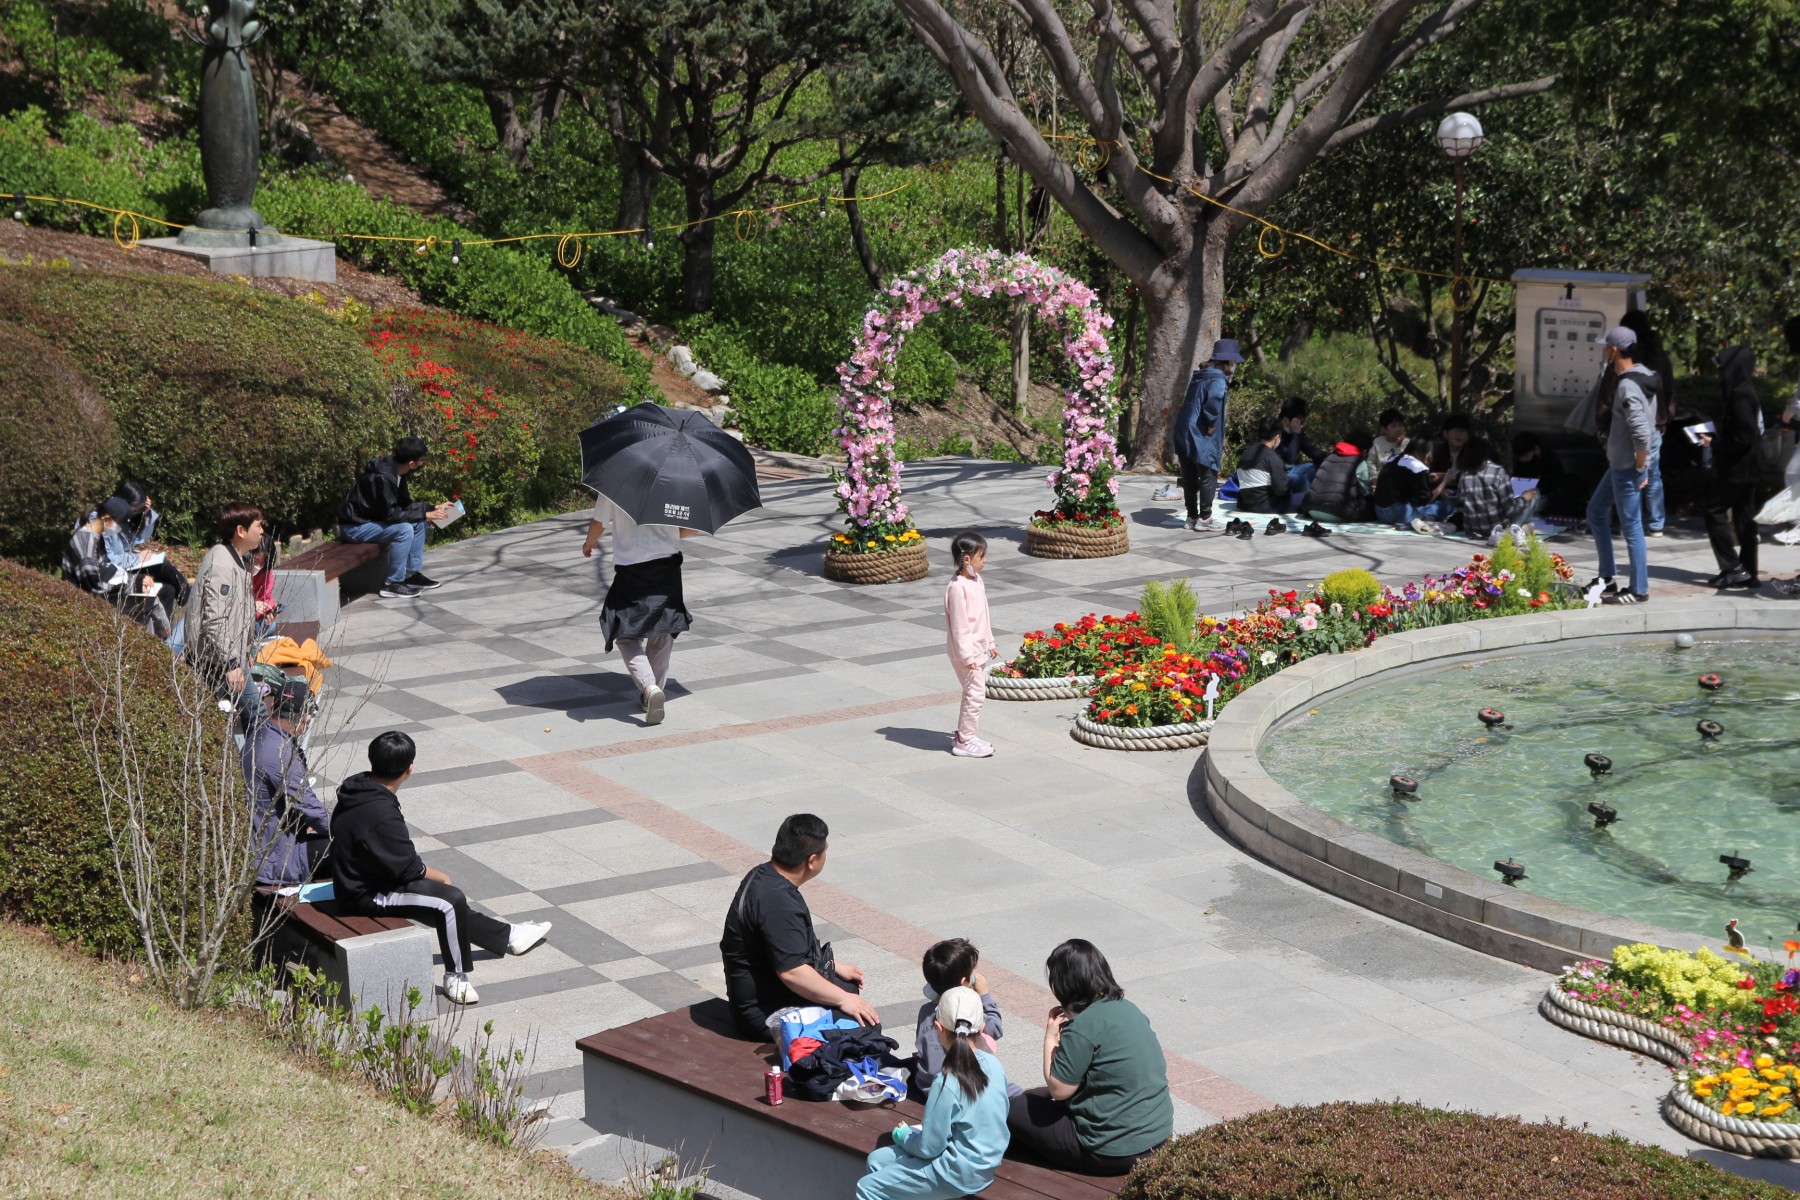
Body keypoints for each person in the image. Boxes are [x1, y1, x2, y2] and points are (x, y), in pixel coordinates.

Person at [332, 731, 552, 1005]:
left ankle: (508, 936)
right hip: (365, 894)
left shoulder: (358, 788)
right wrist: (441, 877)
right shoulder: (381, 812)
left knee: (445, 904)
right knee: (450, 900)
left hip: (366, 878)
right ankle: (456, 976)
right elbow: (409, 868)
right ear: (409, 769)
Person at [1006, 939, 1172, 1175]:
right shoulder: (1129, 1009)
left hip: (1110, 1151)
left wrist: (1051, 1037)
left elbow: (1059, 1089)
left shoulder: (1083, 1026)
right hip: (1158, 1139)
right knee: (1033, 1097)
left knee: (1009, 1107)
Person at [720, 813, 877, 1039]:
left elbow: (783, 947)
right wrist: (844, 1000)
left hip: (770, 993)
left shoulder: (765, 876)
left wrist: (832, 965)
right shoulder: (777, 903)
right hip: (765, 1014)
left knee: (847, 987)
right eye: (825, 852)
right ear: (812, 860)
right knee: (862, 1025)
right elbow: (792, 972)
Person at [857, 987, 1012, 1200]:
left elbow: (929, 1147)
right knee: (877, 1160)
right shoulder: (994, 1065)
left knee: (868, 1188)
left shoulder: (946, 1080)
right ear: (982, 1026)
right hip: (983, 1166)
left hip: (955, 1173)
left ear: (938, 1028)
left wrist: (904, 1137)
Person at [582, 491, 697, 726]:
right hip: (667, 568)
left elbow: (598, 522)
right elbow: (689, 529)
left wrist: (590, 541)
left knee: (625, 634)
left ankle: (649, 687)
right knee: (663, 630)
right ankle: (653, 693)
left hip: (631, 572)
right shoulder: (674, 487)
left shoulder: (616, 486)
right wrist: (664, 535)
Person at [1584, 327, 1657, 604]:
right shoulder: (1645, 374)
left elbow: (1641, 430)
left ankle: (1639, 589)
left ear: (1613, 350)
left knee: (1631, 527)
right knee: (1596, 511)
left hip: (1627, 466)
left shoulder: (1627, 385)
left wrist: (1641, 466)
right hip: (1621, 464)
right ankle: (1607, 577)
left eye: (1606, 348)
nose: (1604, 352)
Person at [338, 435, 453, 599]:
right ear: (412, 463)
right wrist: (426, 514)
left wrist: (433, 508)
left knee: (419, 521)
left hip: (373, 522)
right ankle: (392, 584)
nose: (423, 463)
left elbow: (405, 505)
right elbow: (391, 515)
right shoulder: (384, 477)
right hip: (355, 527)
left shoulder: (398, 472)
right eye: (421, 460)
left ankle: (411, 575)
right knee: (404, 530)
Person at [244, 677, 330, 887]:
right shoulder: (280, 753)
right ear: (306, 719)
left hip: (261, 841)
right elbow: (312, 809)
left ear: (273, 705)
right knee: (354, 848)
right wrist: (349, 829)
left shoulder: (261, 734)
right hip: (274, 861)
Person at [185, 503, 266, 727]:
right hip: (218, 659)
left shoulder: (236, 559)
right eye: (258, 526)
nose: (262, 532)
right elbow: (215, 620)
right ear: (241, 531)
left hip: (228, 655)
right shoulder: (222, 564)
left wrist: (246, 649)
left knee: (241, 715)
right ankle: (257, 760)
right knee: (256, 713)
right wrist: (232, 663)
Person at [63, 497, 174, 641]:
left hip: (98, 594)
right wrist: (133, 586)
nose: (118, 530)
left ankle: (152, 650)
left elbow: (107, 569)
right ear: (107, 518)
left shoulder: (95, 535)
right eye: (119, 525)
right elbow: (95, 585)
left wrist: (135, 580)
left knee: (144, 617)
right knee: (151, 603)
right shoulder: (86, 542)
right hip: (87, 602)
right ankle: (169, 641)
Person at [1700, 345, 1763, 589]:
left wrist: (1714, 442)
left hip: (1738, 468)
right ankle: (1749, 572)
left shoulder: (1741, 396)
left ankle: (1732, 567)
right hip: (1749, 467)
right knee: (1745, 518)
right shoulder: (1744, 391)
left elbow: (1744, 437)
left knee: (1713, 509)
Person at [912, 938, 1005, 1099]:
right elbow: (995, 1029)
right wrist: (985, 996)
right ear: (964, 981)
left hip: (928, 1085)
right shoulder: (968, 1013)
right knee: (1011, 1090)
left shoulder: (925, 1011)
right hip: (963, 1090)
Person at [1170, 339, 1243, 532]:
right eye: (1234, 363)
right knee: (1208, 471)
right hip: (1200, 432)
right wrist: (1211, 424)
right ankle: (1205, 518)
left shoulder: (1201, 375)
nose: (1234, 367)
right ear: (1227, 362)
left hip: (1183, 429)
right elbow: (1213, 401)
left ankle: (1191, 517)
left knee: (1189, 477)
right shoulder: (1218, 378)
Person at [99, 480, 187, 625]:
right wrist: (137, 558)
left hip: (126, 568)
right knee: (163, 567)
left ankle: (162, 634)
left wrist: (146, 514)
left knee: (168, 590)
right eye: (133, 510)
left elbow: (138, 539)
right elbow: (108, 560)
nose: (133, 514)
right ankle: (189, 600)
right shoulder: (103, 520)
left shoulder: (120, 517)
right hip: (114, 575)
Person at [1620, 311, 1675, 537]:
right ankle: (1656, 523)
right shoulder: (1659, 357)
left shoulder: (1628, 358)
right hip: (1653, 422)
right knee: (1652, 473)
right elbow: (1669, 390)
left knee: (1628, 472)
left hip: (1627, 422)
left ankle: (1632, 522)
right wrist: (1665, 418)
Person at [944, 531, 997, 759]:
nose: (984, 561)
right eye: (981, 556)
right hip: (966, 653)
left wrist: (990, 642)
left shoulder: (976, 580)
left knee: (975, 692)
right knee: (974, 694)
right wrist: (968, 658)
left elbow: (983, 614)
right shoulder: (957, 588)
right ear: (967, 559)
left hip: (978, 649)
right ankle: (964, 740)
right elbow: (960, 626)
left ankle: (967, 735)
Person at [1456, 437, 1534, 543]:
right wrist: (1525, 498)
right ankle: (1517, 529)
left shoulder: (1464, 475)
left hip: (1473, 531)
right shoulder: (1498, 472)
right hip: (1499, 529)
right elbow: (1510, 509)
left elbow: (1460, 499)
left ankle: (1522, 528)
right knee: (1534, 494)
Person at [1373, 439, 1453, 531]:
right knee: (1446, 506)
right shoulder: (1417, 466)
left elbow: (1403, 481)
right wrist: (1444, 482)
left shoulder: (1393, 459)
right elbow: (1425, 499)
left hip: (1379, 512)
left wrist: (1428, 478)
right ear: (1425, 452)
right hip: (1397, 514)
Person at [1303, 436, 1374, 524]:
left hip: (1312, 510)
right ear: (1365, 451)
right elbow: (1367, 492)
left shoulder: (1330, 456)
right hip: (1337, 514)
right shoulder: (1359, 461)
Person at [1511, 432, 1578, 520]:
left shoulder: (1549, 458)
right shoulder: (1522, 462)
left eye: (1525, 456)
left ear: (1535, 449)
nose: (1523, 460)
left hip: (1546, 495)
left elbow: (1555, 481)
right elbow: (1517, 475)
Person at [1276, 396, 1326, 510]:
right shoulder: (1276, 431)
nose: (1301, 424)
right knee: (1302, 478)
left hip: (1290, 472)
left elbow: (1314, 452)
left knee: (1316, 465)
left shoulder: (1296, 433)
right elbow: (1289, 459)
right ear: (1289, 419)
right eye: (1300, 421)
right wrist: (1295, 434)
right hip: (1279, 476)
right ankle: (1306, 502)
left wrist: (1335, 456)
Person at [1233, 417, 1289, 515]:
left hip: (1245, 503)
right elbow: (1282, 490)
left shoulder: (1247, 453)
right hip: (1266, 506)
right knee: (1302, 497)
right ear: (1277, 437)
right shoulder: (1272, 458)